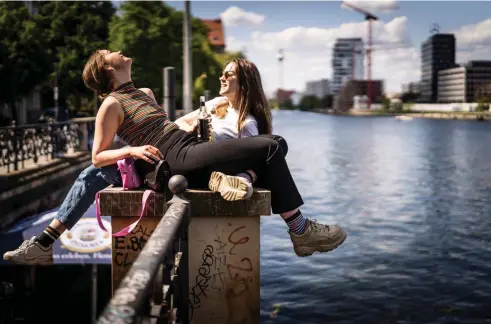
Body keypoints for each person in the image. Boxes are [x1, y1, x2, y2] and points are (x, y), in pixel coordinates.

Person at [4, 51, 346, 265]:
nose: (118, 50)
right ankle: (299, 230)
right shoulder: (110, 104)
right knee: (272, 145)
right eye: (110, 53)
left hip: (184, 151)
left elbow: (166, 125)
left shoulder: (146, 93)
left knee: (272, 144)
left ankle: (260, 196)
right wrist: (131, 150)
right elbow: (97, 157)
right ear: (107, 70)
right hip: (174, 158)